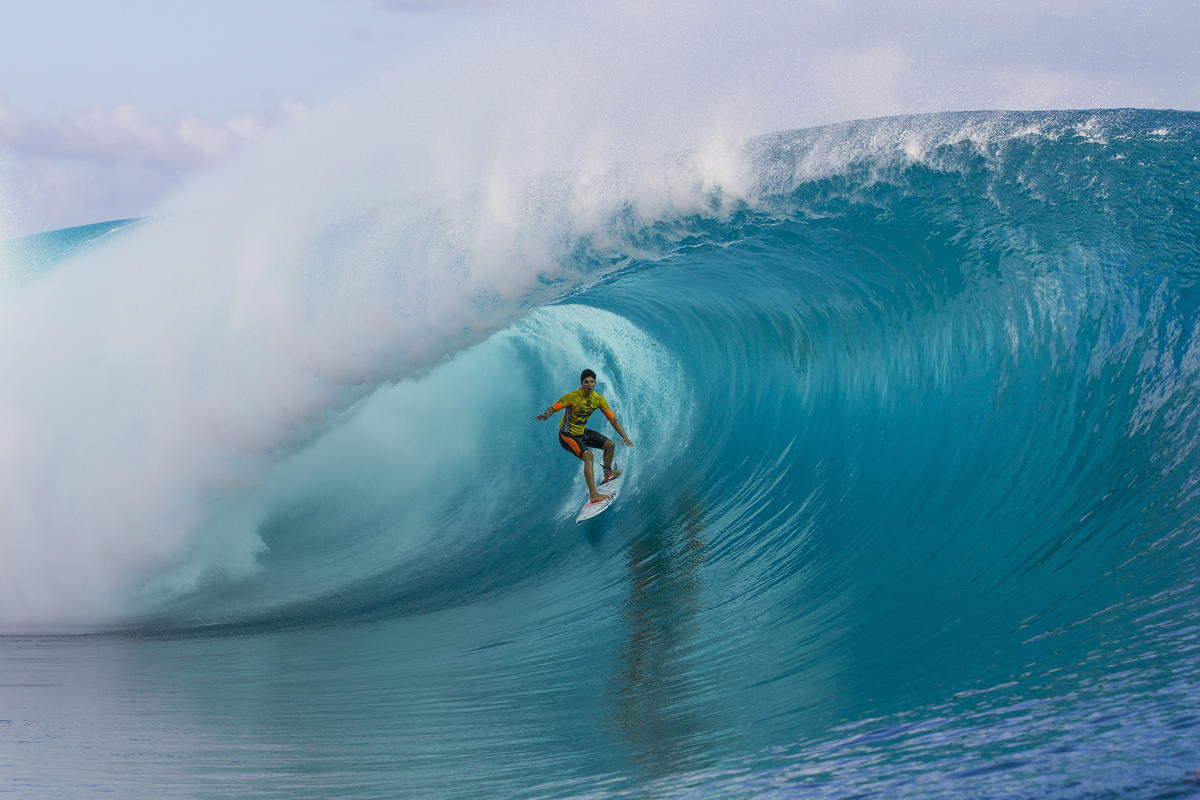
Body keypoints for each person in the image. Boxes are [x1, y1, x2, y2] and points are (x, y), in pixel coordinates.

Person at [535, 369, 634, 504]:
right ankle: (594, 495)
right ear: (581, 383)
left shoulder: (598, 399)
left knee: (610, 445)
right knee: (589, 456)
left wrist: (624, 436)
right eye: (586, 382)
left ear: (595, 383)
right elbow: (554, 407)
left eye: (592, 382)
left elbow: (613, 420)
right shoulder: (572, 397)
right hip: (567, 435)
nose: (589, 385)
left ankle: (607, 474)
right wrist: (546, 415)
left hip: (582, 432)